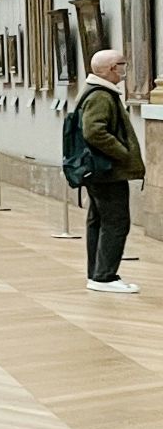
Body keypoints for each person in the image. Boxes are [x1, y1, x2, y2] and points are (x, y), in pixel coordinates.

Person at [77, 49, 144, 293]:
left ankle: (97, 273)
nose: (124, 70)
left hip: (99, 170)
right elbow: (94, 131)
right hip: (106, 171)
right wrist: (123, 153)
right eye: (121, 65)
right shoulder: (101, 96)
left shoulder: (96, 92)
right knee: (116, 222)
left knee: (98, 220)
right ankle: (105, 276)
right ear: (111, 68)